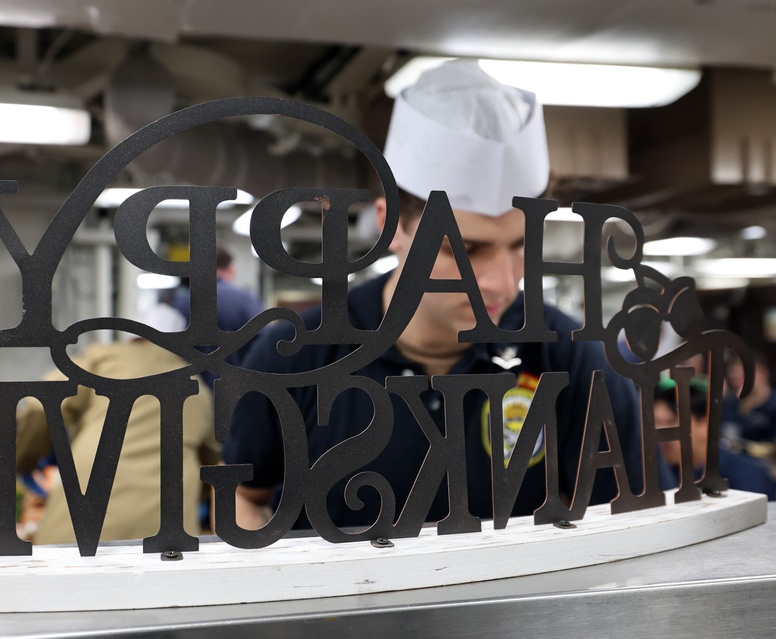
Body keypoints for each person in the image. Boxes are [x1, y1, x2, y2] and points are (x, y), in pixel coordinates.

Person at [222, 59, 645, 531]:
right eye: (465, 250)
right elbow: (246, 498)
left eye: (522, 245)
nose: (503, 282)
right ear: (389, 226)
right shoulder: (295, 355)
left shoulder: (570, 358)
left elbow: (632, 522)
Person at [16, 303, 219, 543]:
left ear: (131, 337)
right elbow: (213, 464)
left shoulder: (105, 358)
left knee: (68, 571)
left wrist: (22, 461)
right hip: (167, 526)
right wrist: (202, 500)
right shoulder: (198, 388)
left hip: (88, 511)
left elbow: (41, 404)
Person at [655, 377, 775, 500]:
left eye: (670, 422)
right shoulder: (657, 475)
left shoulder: (747, 476)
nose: (659, 433)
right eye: (655, 423)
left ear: (705, 424)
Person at [171, 244, 264, 388]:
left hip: (192, 393)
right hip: (236, 390)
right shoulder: (245, 300)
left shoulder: (181, 303)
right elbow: (259, 347)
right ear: (230, 268)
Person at [722, 353, 776, 447]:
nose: (740, 383)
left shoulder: (772, 405)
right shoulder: (729, 402)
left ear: (763, 374)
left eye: (743, 376)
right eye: (734, 378)